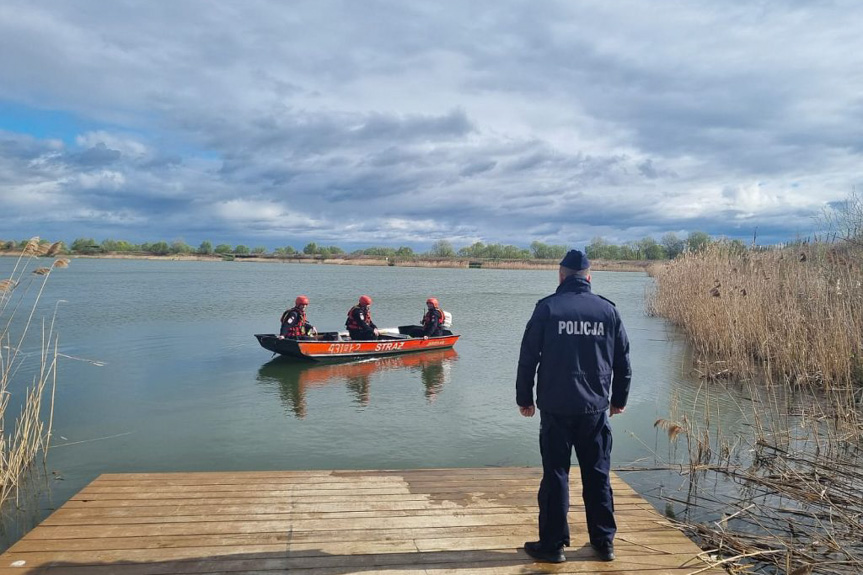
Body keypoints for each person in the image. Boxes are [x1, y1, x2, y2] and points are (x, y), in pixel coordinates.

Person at [516, 249, 631, 564]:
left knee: (556, 475)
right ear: (589, 277)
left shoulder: (548, 309)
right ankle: (604, 543)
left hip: (555, 408)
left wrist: (524, 399)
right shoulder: (608, 311)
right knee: (597, 475)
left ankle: (553, 545)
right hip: (594, 409)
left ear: (561, 276)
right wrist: (619, 399)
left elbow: (528, 359)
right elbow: (623, 362)